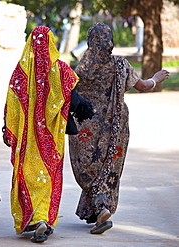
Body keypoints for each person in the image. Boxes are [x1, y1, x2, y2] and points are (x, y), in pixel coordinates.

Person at [69, 23, 170, 234]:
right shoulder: (121, 65)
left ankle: (100, 208)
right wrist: (156, 79)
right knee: (109, 168)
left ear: (90, 42)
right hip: (116, 127)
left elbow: (68, 92)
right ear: (110, 42)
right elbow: (142, 86)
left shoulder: (81, 69)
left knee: (87, 168)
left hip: (85, 128)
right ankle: (101, 208)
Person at [3, 26, 80, 243]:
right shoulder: (62, 71)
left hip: (27, 140)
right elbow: (73, 98)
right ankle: (43, 218)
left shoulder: (21, 71)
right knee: (47, 177)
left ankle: (35, 219)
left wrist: (10, 130)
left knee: (27, 175)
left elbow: (12, 104)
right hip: (51, 140)